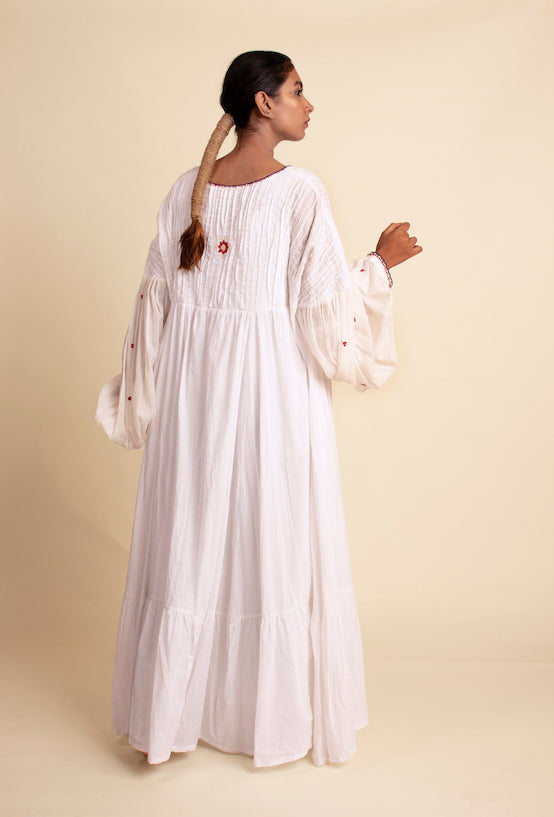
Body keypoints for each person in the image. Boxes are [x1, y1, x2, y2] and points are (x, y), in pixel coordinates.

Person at [95, 50, 422, 768]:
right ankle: (261, 716)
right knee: (270, 535)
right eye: (299, 91)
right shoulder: (299, 191)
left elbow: (153, 310)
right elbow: (324, 316)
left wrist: (142, 401)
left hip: (192, 398)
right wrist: (380, 264)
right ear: (264, 103)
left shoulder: (187, 189)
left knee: (194, 535)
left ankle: (174, 714)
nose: (310, 104)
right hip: (273, 393)